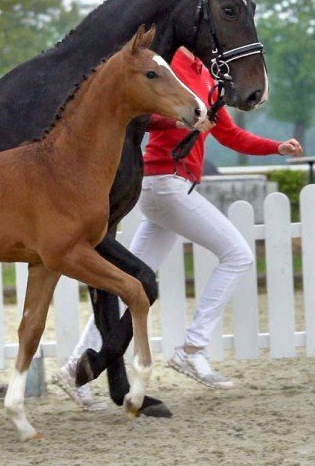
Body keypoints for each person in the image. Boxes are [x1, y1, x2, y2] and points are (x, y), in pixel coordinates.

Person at [53, 47, 304, 410]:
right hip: (167, 183)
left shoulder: (206, 74)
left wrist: (275, 147)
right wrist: (179, 122)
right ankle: (192, 348)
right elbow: (144, 115)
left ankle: (74, 368)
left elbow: (229, 135)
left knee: (119, 281)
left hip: (166, 186)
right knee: (238, 255)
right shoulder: (171, 65)